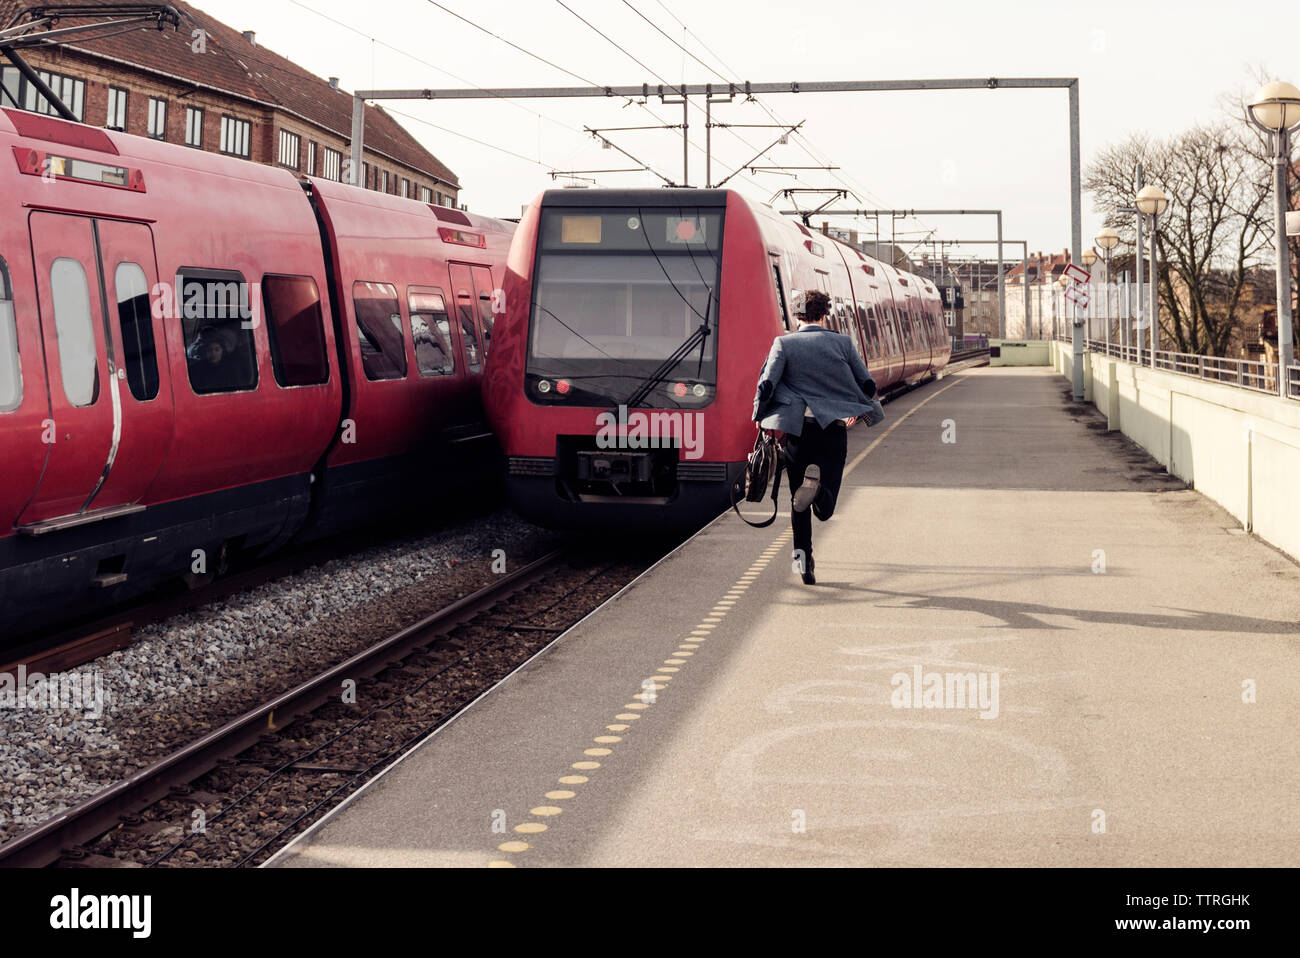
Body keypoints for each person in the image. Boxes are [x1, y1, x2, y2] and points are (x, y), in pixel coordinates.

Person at [752, 289, 879, 584]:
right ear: (825, 314)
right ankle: (819, 490)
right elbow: (867, 384)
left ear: (796, 316)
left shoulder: (782, 344)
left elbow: (767, 384)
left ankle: (803, 565)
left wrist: (759, 417)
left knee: (798, 505)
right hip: (832, 430)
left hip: (798, 431)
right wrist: (856, 406)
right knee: (826, 507)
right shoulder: (842, 343)